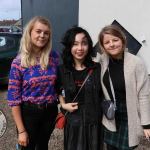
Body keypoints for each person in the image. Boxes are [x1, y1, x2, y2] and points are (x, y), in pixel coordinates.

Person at [7, 16, 59, 150]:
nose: (42, 35)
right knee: (27, 147)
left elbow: (60, 84)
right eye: (38, 31)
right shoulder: (18, 62)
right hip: (29, 113)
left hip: (50, 112)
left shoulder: (53, 57)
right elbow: (14, 99)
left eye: (46, 33)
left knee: (43, 146)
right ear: (30, 32)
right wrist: (22, 131)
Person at [98, 24, 150, 150]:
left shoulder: (136, 63)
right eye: (107, 42)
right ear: (103, 46)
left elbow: (143, 95)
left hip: (129, 115)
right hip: (111, 115)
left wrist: (146, 124)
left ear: (122, 40)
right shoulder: (102, 61)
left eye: (115, 40)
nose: (112, 44)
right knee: (110, 147)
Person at [57, 26, 103, 150]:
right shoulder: (62, 69)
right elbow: (57, 90)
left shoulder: (97, 68)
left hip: (94, 122)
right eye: (75, 44)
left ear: (89, 46)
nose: (80, 48)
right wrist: (63, 104)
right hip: (73, 123)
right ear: (69, 47)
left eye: (84, 43)